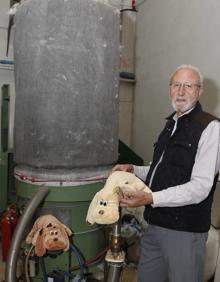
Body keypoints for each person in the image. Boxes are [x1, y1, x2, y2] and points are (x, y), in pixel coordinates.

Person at [112, 64, 220, 282]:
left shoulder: (210, 128)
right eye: (176, 85)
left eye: (188, 86)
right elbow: (160, 169)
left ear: (199, 91)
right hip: (154, 227)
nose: (181, 91)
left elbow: (200, 187)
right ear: (170, 89)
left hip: (185, 232)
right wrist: (133, 169)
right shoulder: (171, 124)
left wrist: (151, 198)